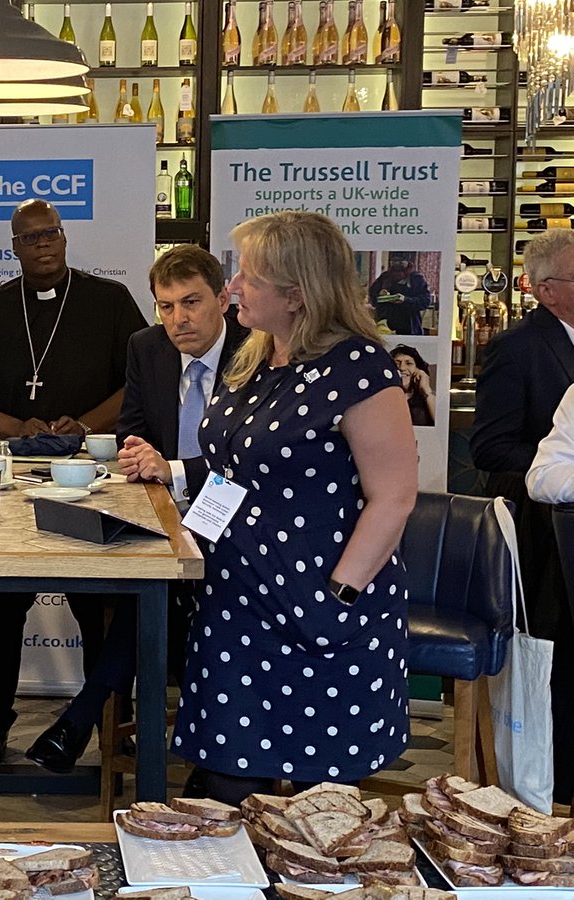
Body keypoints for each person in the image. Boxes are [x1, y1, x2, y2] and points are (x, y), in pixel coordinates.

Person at [172, 211, 417, 805]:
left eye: (248, 278)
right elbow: (237, 473)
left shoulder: (361, 369)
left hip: (323, 610)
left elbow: (395, 496)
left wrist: (340, 595)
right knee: (227, 785)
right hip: (237, 606)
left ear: (298, 295)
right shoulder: (255, 360)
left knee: (320, 809)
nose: (232, 288)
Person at [0, 198, 148, 764]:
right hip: (15, 480)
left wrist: (83, 424)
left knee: (99, 605)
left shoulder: (109, 301)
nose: (43, 245)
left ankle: (110, 722)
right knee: (0, 607)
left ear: (64, 237)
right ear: (15, 247)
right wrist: (15, 426)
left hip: (95, 478)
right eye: (30, 238)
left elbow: (140, 384)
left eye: (50, 233)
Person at [24, 244, 247, 773]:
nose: (178, 319)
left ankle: (82, 718)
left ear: (222, 300)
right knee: (154, 587)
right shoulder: (146, 347)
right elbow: (133, 426)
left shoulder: (256, 349)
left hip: (238, 508)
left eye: (191, 303)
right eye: (166, 306)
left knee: (162, 594)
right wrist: (140, 451)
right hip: (166, 505)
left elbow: (247, 452)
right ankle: (196, 751)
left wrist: (172, 466)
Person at [472, 229, 574, 805]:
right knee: (551, 665)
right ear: (549, 289)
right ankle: (551, 783)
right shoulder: (519, 347)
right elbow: (489, 449)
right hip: (540, 535)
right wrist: (555, 470)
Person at [369, 254, 434, 336]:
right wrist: (380, 294)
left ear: (407, 262)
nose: (397, 264)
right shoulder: (385, 277)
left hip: (410, 328)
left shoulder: (416, 278)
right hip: (385, 326)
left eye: (400, 261)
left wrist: (405, 300)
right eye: (394, 261)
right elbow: (372, 295)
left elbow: (426, 301)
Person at [390, 345, 436, 426]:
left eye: (409, 363)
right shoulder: (383, 396)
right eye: (397, 363)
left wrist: (426, 390)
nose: (402, 368)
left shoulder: (427, 398)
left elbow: (441, 424)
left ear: (418, 369)